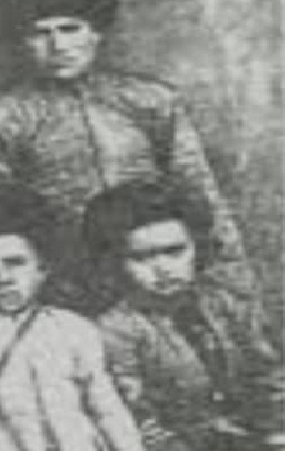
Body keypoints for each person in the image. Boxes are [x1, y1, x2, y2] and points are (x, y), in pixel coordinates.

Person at [0, 0, 252, 310]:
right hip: (69, 285)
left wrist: (232, 278)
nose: (58, 46)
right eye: (40, 34)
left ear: (97, 32)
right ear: (21, 41)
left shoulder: (151, 100)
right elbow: (6, 216)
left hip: (159, 273)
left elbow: (199, 192)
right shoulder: (3, 116)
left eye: (70, 29)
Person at [0, 186, 145, 451]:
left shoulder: (73, 328)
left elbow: (106, 407)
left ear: (43, 268)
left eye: (15, 263)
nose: (3, 278)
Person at [83, 180, 285, 451]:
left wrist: (274, 430)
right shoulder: (116, 331)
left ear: (196, 247)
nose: (163, 268)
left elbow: (268, 373)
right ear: (115, 262)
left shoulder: (224, 302)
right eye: (141, 258)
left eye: (174, 251)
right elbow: (138, 419)